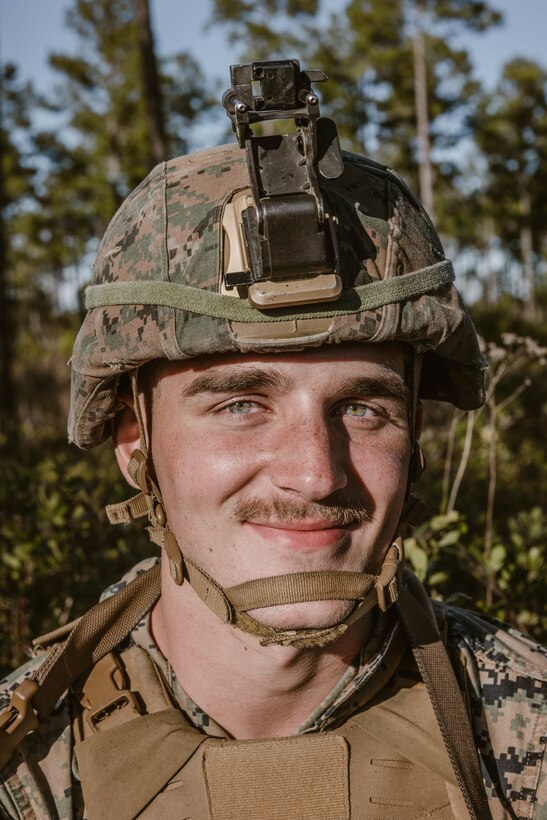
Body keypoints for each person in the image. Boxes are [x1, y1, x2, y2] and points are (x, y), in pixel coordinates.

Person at [0, 59, 545, 820]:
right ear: (133, 442)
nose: (315, 476)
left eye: (362, 409)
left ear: (414, 436)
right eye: (240, 405)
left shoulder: (524, 729)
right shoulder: (25, 768)